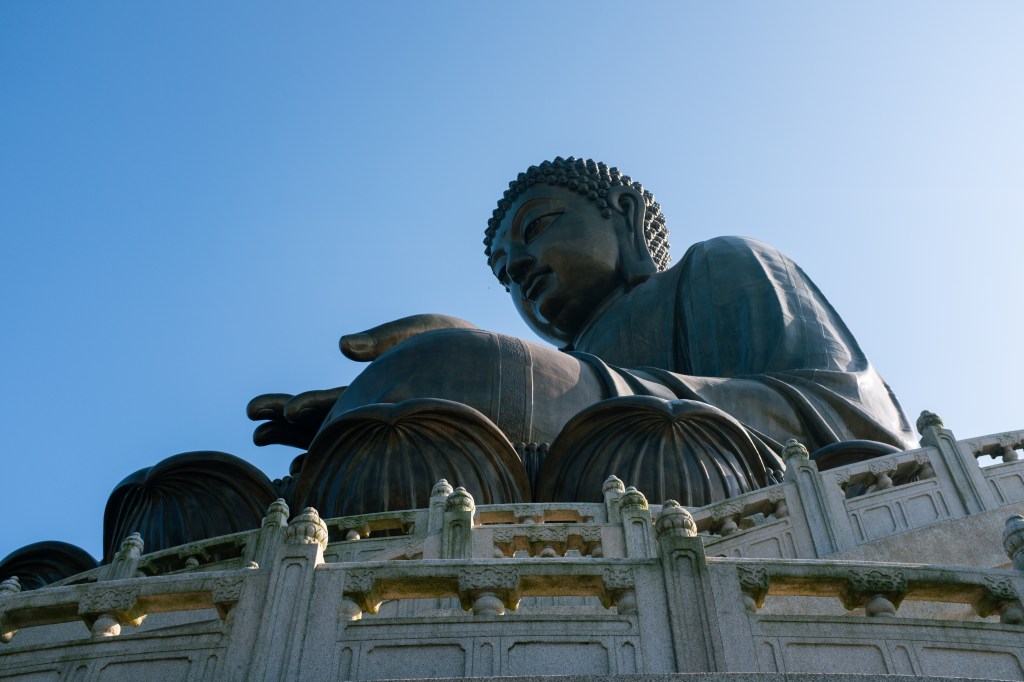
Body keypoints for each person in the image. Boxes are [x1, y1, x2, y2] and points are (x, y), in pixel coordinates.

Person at [248, 157, 916, 512]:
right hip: (581, 473)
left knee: (451, 362)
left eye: (537, 228)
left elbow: (855, 425)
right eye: (504, 273)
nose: (519, 268)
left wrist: (492, 370)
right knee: (439, 372)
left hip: (714, 471)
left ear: (622, 215)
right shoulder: (566, 357)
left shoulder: (719, 265)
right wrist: (409, 401)